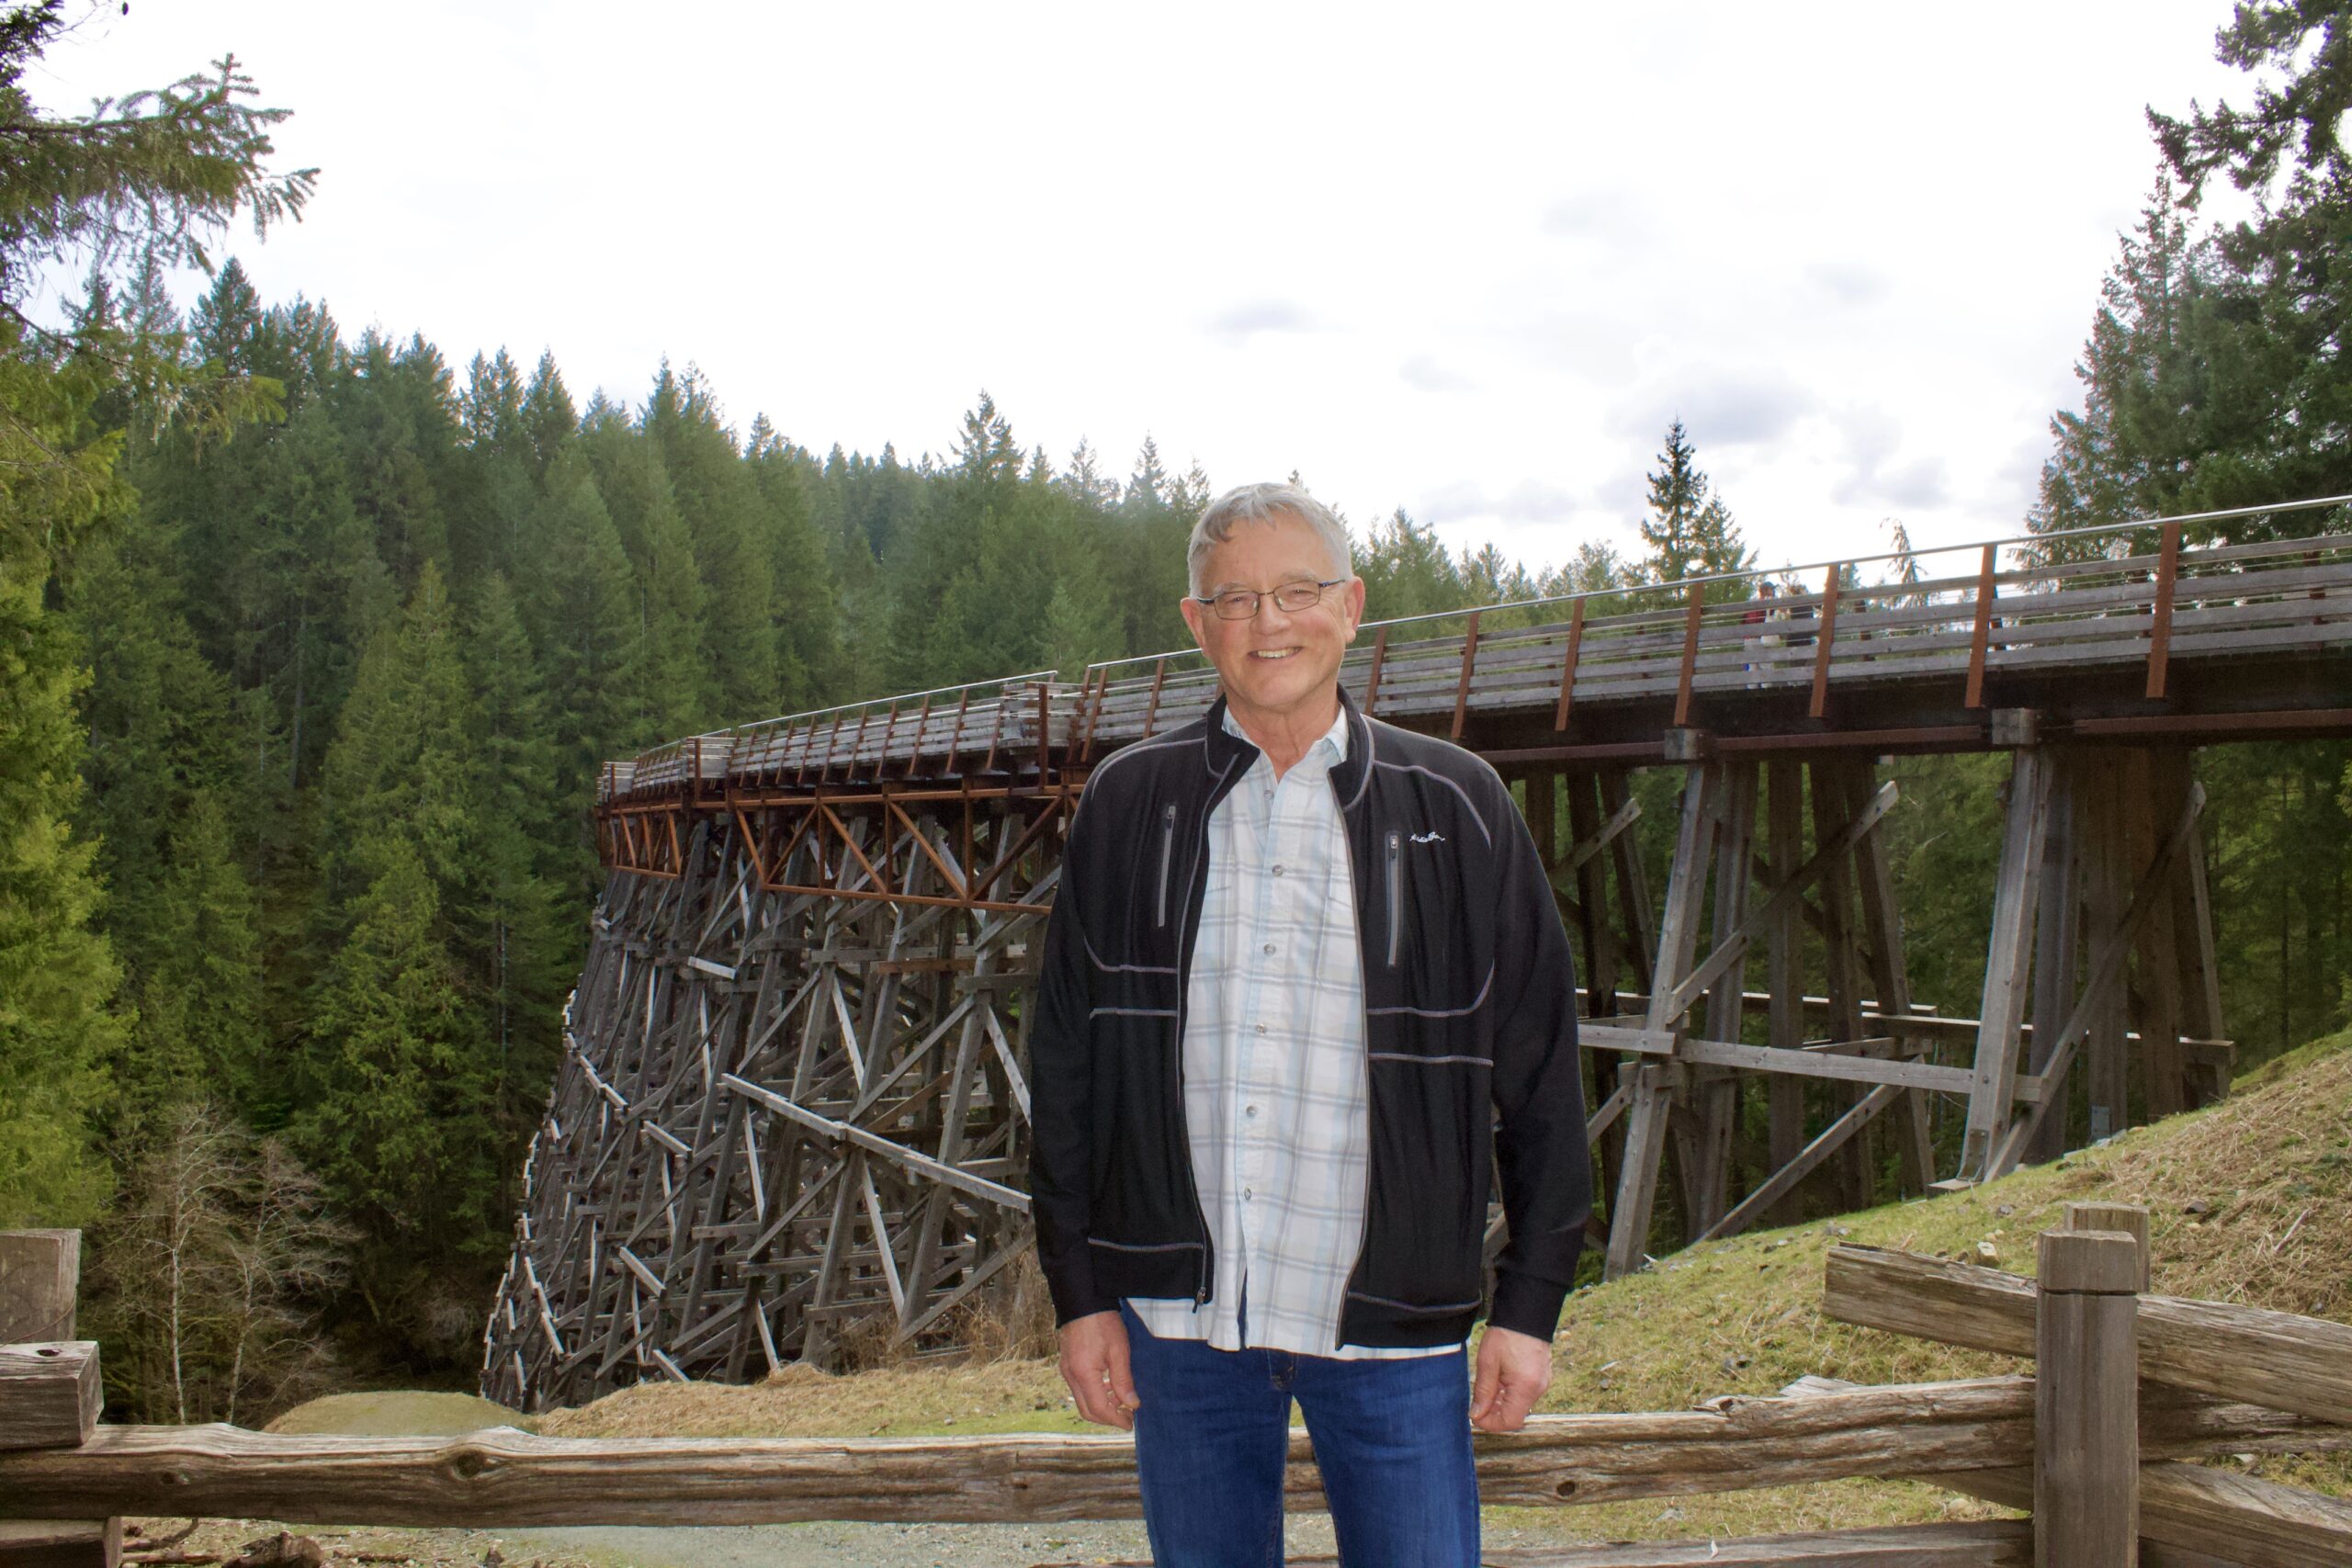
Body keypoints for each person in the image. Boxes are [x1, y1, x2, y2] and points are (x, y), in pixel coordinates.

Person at [1028, 481, 1590, 1567]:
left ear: (1351, 604)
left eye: (1297, 590)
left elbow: (1538, 1073)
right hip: (1180, 1326)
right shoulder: (1127, 803)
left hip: (1392, 1323)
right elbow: (1067, 1071)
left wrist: (1529, 1305)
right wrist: (1080, 1294)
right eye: (1233, 599)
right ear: (1196, 625)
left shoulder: (1461, 802)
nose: (1268, 622)